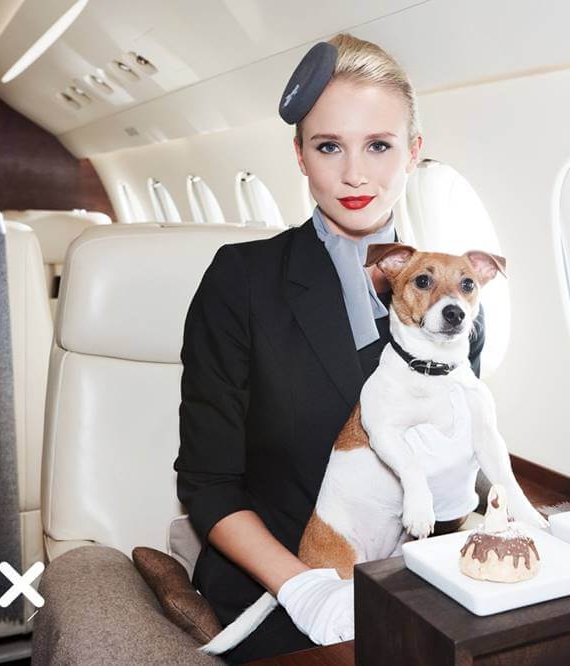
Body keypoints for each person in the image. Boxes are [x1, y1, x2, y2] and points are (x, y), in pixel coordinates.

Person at [174, 33, 486, 662]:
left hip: (407, 582)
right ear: (300, 156)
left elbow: (448, 458)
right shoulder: (241, 280)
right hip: (280, 584)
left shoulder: (461, 302)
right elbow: (208, 484)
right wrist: (307, 589)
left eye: (378, 145)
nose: (353, 174)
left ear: (414, 152)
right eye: (328, 147)